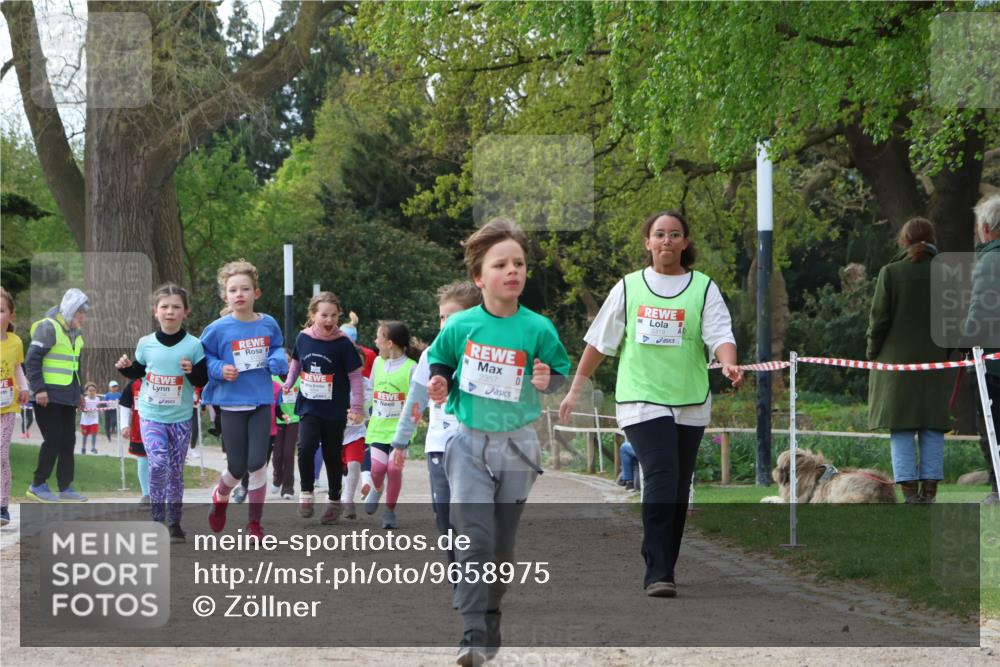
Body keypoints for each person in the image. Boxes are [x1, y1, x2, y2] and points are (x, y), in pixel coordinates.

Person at [559, 210, 742, 600]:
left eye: (675, 234)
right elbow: (600, 342)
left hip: (690, 399)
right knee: (660, 473)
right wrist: (576, 388)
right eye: (659, 234)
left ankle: (663, 559)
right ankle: (658, 571)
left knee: (677, 483)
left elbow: (720, 334)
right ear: (647, 242)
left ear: (685, 242)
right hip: (641, 398)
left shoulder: (704, 288)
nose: (667, 241)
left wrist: (728, 363)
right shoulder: (628, 287)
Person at [427, 217, 570, 665]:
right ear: (479, 277)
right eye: (501, 264)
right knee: (474, 538)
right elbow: (440, 361)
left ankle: (491, 613)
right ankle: (470, 631)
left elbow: (558, 372)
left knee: (502, 546)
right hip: (468, 442)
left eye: (520, 264)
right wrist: (438, 381)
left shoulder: (538, 328)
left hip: (516, 445)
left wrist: (548, 378)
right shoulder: (461, 326)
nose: (513, 271)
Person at [390, 281, 481, 555]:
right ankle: (461, 589)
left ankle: (481, 581)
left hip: (479, 447)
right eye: (441, 317)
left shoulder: (487, 353)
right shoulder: (430, 356)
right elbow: (416, 404)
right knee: (446, 520)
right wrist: (400, 442)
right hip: (439, 447)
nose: (444, 324)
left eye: (452, 318)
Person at [866, 218, 953, 504]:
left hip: (897, 366)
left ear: (903, 241)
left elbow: (879, 320)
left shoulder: (890, 273)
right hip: (935, 365)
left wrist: (871, 351)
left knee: (901, 429)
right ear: (932, 239)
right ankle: (929, 494)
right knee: (932, 428)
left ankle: (909, 495)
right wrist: (947, 354)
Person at [202, 260, 288, 540]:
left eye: (245, 289)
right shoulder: (217, 328)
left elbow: (277, 348)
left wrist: (276, 361)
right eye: (233, 290)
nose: (239, 294)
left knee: (257, 464)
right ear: (225, 296)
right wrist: (219, 369)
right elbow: (204, 360)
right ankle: (221, 496)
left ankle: (254, 524)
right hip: (230, 403)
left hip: (261, 401)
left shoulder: (268, 323)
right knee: (237, 467)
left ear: (256, 293)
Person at [116, 284, 208, 542]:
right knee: (157, 464)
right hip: (151, 414)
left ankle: (174, 522)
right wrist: (125, 368)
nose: (170, 311)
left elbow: (202, 379)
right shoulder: (146, 343)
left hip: (180, 418)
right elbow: (138, 371)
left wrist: (191, 370)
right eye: (164, 307)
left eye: (176, 307)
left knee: (176, 470)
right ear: (155, 311)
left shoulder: (194, 345)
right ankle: (157, 519)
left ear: (185, 312)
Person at [283, 292, 364, 524]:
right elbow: (297, 363)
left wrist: (356, 405)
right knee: (306, 447)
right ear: (313, 315)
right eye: (323, 315)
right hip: (309, 405)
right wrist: (289, 383)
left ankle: (334, 501)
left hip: (335, 408)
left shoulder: (343, 343)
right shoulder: (303, 338)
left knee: (331, 454)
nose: (329, 320)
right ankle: (306, 492)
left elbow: (355, 377)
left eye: (333, 315)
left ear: (338, 316)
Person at [25, 288, 90, 503]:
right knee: (53, 439)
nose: (83, 317)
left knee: (68, 441)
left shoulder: (76, 335)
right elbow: (33, 360)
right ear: (70, 311)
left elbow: (74, 367)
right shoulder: (48, 327)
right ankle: (37, 484)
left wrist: (79, 392)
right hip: (47, 396)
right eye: (80, 312)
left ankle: (65, 487)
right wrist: (39, 389)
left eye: (85, 313)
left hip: (67, 396)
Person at [362, 321, 419, 529]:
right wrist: (360, 411)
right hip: (378, 428)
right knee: (377, 469)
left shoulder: (412, 368)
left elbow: (417, 401)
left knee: (393, 470)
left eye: (379, 337)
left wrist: (411, 426)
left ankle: (389, 511)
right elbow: (370, 391)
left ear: (390, 343)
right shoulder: (378, 363)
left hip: (400, 432)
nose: (375, 341)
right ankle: (377, 489)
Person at [965, 193, 1000, 505]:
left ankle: (998, 489)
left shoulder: (989, 262)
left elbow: (979, 314)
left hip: (994, 364)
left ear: (987, 228)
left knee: (990, 427)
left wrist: (963, 339)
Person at [1, 287, 30, 526]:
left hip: (7, 408)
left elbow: (18, 369)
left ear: (11, 316)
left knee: (1, 454)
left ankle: (2, 506)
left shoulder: (15, 342)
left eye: (0, 310)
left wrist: (25, 387)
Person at [118, 378, 151, 504]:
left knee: (161, 460)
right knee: (142, 460)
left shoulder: (164, 378)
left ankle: (161, 492)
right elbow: (125, 405)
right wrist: (124, 425)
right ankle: (146, 494)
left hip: (163, 428)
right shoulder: (134, 384)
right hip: (140, 429)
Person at [272, 367, 299, 499]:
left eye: (289, 360)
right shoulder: (272, 378)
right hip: (277, 420)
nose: (286, 363)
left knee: (288, 454)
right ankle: (277, 477)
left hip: (294, 419)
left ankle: (288, 488)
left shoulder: (299, 379)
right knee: (277, 456)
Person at [79, 382, 101, 454]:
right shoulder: (84, 399)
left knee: (94, 433)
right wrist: (85, 410)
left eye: (94, 390)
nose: (92, 392)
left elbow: (98, 407)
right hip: (85, 421)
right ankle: (83, 448)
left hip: (94, 420)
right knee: (85, 435)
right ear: (86, 391)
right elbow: (81, 408)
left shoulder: (98, 399)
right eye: (90, 390)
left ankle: (93, 447)